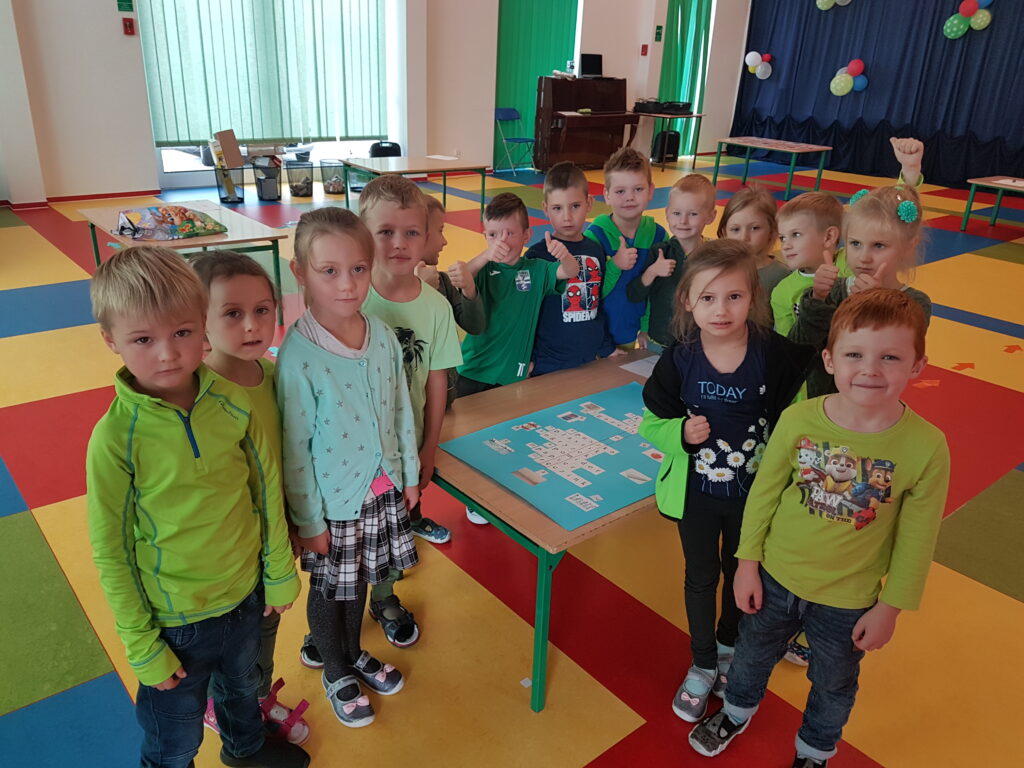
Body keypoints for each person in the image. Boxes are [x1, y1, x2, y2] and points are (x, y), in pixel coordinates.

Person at [688, 289, 950, 768]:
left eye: (890, 357)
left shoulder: (927, 446)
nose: (870, 370)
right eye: (854, 355)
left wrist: (891, 607)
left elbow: (918, 537)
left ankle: (814, 751)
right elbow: (763, 495)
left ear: (917, 366)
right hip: (776, 577)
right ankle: (736, 711)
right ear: (829, 360)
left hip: (848, 598)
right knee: (750, 656)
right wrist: (746, 564)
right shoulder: (799, 419)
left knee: (834, 682)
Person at [86, 246, 308, 768]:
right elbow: (111, 551)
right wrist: (142, 645)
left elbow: (265, 491)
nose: (168, 353)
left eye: (182, 332)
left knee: (242, 691)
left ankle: (246, 751)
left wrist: (278, 571)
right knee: (175, 738)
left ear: (201, 326)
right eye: (144, 340)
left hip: (246, 595)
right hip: (175, 620)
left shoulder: (231, 402)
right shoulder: (114, 440)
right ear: (111, 339)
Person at [638, 240, 814, 725]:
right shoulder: (679, 359)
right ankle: (701, 662)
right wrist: (680, 433)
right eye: (708, 298)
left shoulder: (773, 356)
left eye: (734, 297)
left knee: (742, 573)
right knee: (700, 577)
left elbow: (797, 422)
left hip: (753, 499)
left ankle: (728, 648)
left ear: (752, 297)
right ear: (687, 301)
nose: (721, 310)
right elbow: (650, 423)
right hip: (696, 495)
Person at [277, 207, 420, 727]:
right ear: (300, 272)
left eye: (358, 269)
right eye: (329, 271)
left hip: (380, 490)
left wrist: (408, 475)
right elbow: (294, 449)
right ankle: (335, 669)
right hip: (332, 503)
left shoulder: (380, 334)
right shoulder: (298, 356)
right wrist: (308, 521)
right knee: (327, 588)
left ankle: (352, 650)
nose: (347, 284)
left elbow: (400, 407)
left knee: (358, 580)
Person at [190, 250, 310, 745]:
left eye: (263, 309)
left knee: (267, 624)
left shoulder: (276, 374)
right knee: (235, 636)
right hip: (232, 551)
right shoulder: (200, 396)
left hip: (276, 536)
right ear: (200, 321)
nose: (252, 325)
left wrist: (293, 524)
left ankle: (254, 693)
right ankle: (227, 702)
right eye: (232, 313)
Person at [360, 175, 462, 647]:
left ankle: (384, 597)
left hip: (405, 449)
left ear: (425, 238)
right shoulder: (350, 299)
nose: (399, 244)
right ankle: (331, 618)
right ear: (362, 234)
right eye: (385, 232)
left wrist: (429, 446)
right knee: (341, 536)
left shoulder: (436, 308)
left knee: (395, 527)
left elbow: (437, 379)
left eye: (411, 233)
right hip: (351, 450)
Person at [790, 185, 931, 397]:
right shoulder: (834, 290)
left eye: (879, 246)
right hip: (824, 401)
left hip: (876, 400)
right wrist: (817, 298)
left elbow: (890, 356)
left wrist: (875, 304)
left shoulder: (915, 302)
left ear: (908, 246)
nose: (864, 257)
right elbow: (797, 348)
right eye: (855, 243)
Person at [451, 191, 577, 396]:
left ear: (526, 235)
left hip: (511, 374)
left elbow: (570, 271)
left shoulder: (537, 269)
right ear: (485, 236)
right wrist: (486, 255)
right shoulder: (481, 269)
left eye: (510, 233)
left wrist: (565, 256)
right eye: (493, 235)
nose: (502, 242)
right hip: (472, 369)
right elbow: (461, 276)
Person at [526, 160, 617, 375]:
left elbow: (597, 302)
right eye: (557, 208)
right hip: (548, 362)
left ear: (589, 203)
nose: (567, 217)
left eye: (575, 206)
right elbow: (525, 313)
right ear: (546, 209)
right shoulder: (536, 256)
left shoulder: (596, 250)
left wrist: (607, 348)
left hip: (589, 357)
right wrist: (527, 358)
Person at [584, 147, 668, 349]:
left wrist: (646, 327)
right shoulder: (595, 237)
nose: (630, 197)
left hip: (631, 334)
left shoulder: (658, 236)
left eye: (638, 189)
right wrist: (615, 265)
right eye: (620, 191)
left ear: (651, 191)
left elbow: (657, 290)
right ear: (607, 195)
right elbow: (588, 295)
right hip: (594, 337)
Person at [626, 173, 717, 350]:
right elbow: (634, 294)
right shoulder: (660, 251)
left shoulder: (713, 256)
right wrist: (653, 271)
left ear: (710, 216)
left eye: (693, 214)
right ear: (667, 214)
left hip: (699, 343)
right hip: (658, 339)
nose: (683, 221)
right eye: (676, 213)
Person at [415, 195, 488, 409]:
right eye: (440, 231)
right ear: (418, 234)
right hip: (411, 399)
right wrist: (420, 291)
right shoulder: (390, 287)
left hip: (445, 395)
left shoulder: (443, 282)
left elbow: (475, 326)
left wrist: (469, 289)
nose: (445, 241)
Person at [718, 184, 790, 303]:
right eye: (735, 229)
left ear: (772, 230)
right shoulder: (714, 268)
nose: (744, 237)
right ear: (724, 232)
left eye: (755, 228)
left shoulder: (781, 275)